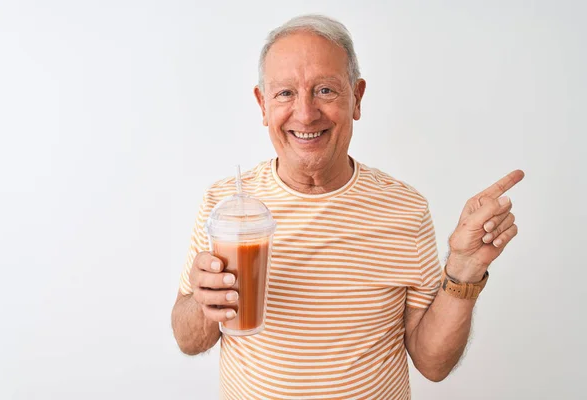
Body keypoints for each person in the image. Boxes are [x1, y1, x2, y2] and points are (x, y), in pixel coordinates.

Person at [171, 14, 524, 399]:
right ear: (262, 104)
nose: (305, 114)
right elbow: (188, 340)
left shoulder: (405, 209)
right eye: (285, 93)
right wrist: (203, 305)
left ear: (357, 97)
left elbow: (433, 363)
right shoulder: (225, 207)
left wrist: (465, 269)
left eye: (325, 90)